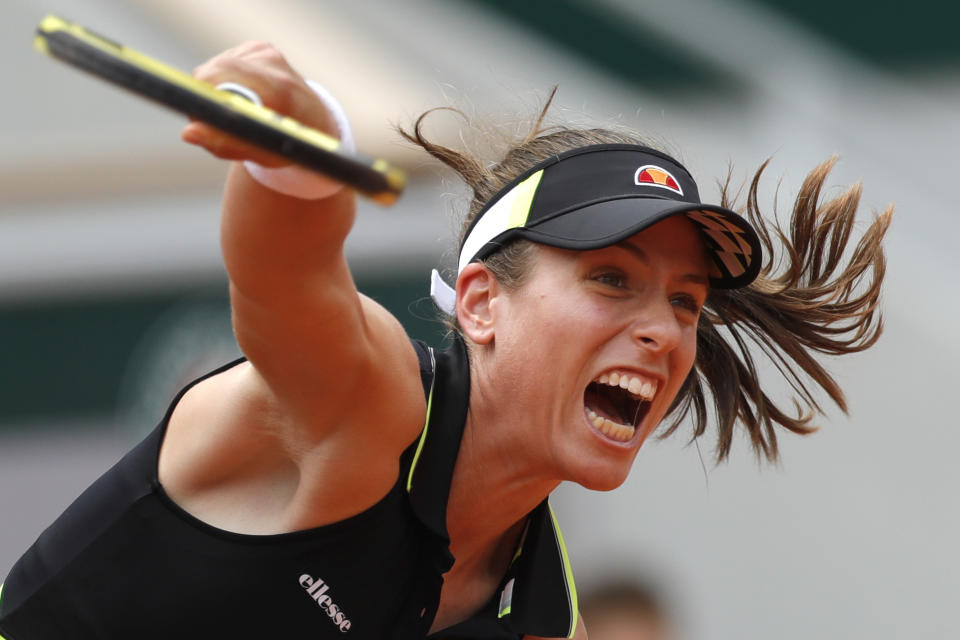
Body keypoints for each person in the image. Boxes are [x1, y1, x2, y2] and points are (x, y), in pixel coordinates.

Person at [0, 42, 891, 640]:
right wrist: (295, 159)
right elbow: (287, 276)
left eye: (687, 304)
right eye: (610, 279)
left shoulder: (541, 608)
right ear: (480, 304)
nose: (661, 329)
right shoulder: (369, 403)